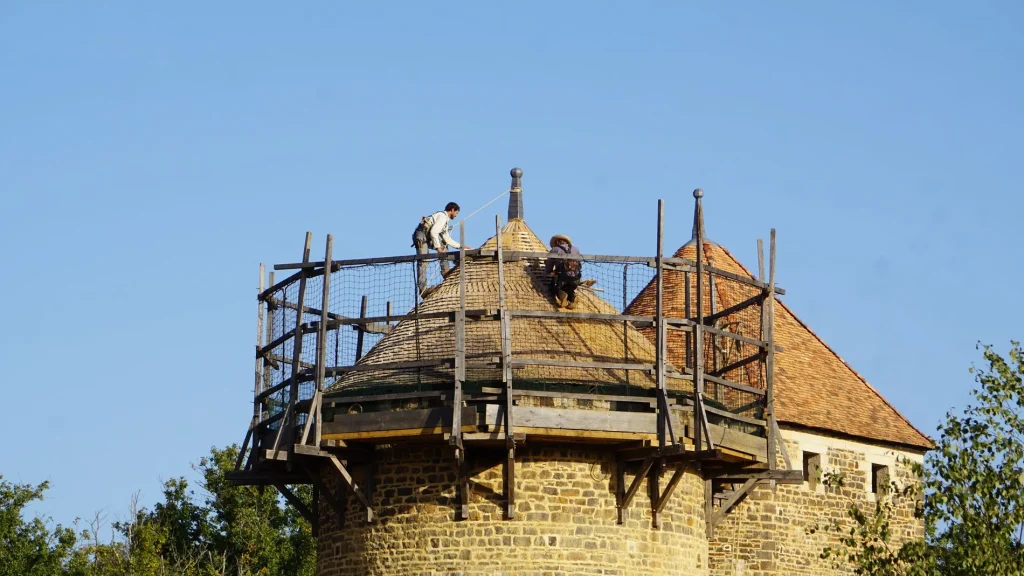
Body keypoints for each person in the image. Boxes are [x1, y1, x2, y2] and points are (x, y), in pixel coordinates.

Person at [412, 202, 471, 295]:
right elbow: (434, 232)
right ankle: (423, 290)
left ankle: (445, 270)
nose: (456, 216)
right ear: (452, 210)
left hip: (428, 237)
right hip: (422, 236)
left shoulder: (445, 222)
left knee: (444, 245)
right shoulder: (442, 217)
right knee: (423, 261)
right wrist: (438, 248)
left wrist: (461, 246)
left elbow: (447, 239)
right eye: (456, 213)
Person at [545, 234, 582, 309]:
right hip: (576, 276)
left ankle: (562, 297)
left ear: (558, 242)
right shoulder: (576, 249)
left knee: (553, 286)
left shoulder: (555, 249)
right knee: (570, 287)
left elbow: (549, 264)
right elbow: (579, 263)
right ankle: (572, 298)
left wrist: (549, 272)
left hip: (562, 275)